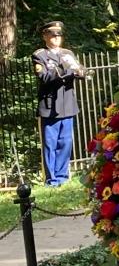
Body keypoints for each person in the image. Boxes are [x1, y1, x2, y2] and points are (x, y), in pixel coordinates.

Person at [32, 20, 86, 187]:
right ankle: (52, 179)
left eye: (58, 35)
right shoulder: (39, 55)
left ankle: (62, 176)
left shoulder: (67, 53)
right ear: (45, 36)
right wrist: (67, 70)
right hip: (50, 107)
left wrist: (79, 70)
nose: (56, 38)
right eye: (52, 35)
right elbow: (45, 78)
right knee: (50, 143)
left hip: (67, 104)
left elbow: (81, 72)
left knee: (65, 142)